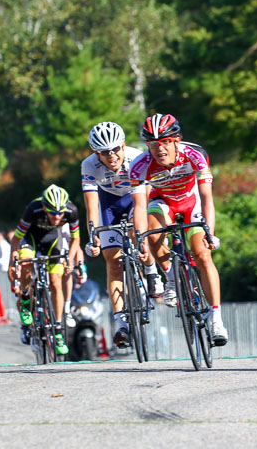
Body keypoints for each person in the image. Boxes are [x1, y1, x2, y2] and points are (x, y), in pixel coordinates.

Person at [130, 113, 229, 346]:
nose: (159, 149)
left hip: (191, 201)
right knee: (151, 233)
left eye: (164, 141)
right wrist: (140, 240)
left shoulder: (195, 154)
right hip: (162, 201)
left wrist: (210, 232)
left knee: (202, 255)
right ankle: (172, 278)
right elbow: (139, 206)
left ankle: (216, 319)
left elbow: (206, 198)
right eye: (153, 144)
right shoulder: (139, 166)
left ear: (176, 140)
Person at [81, 121, 163, 345]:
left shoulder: (136, 158)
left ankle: (151, 270)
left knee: (140, 236)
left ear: (123, 145)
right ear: (95, 152)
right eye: (104, 152)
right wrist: (93, 236)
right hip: (108, 203)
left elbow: (143, 201)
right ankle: (121, 324)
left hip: (135, 199)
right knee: (113, 261)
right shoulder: (88, 166)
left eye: (115, 149)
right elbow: (92, 206)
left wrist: (140, 230)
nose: (111, 156)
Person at [8, 184, 81, 356]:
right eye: (53, 213)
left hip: (52, 241)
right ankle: (26, 298)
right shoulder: (32, 210)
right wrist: (13, 262)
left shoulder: (71, 211)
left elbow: (76, 240)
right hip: (30, 239)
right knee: (26, 264)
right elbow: (16, 238)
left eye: (60, 213)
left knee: (56, 281)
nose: (57, 217)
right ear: (44, 208)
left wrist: (69, 260)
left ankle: (57, 329)